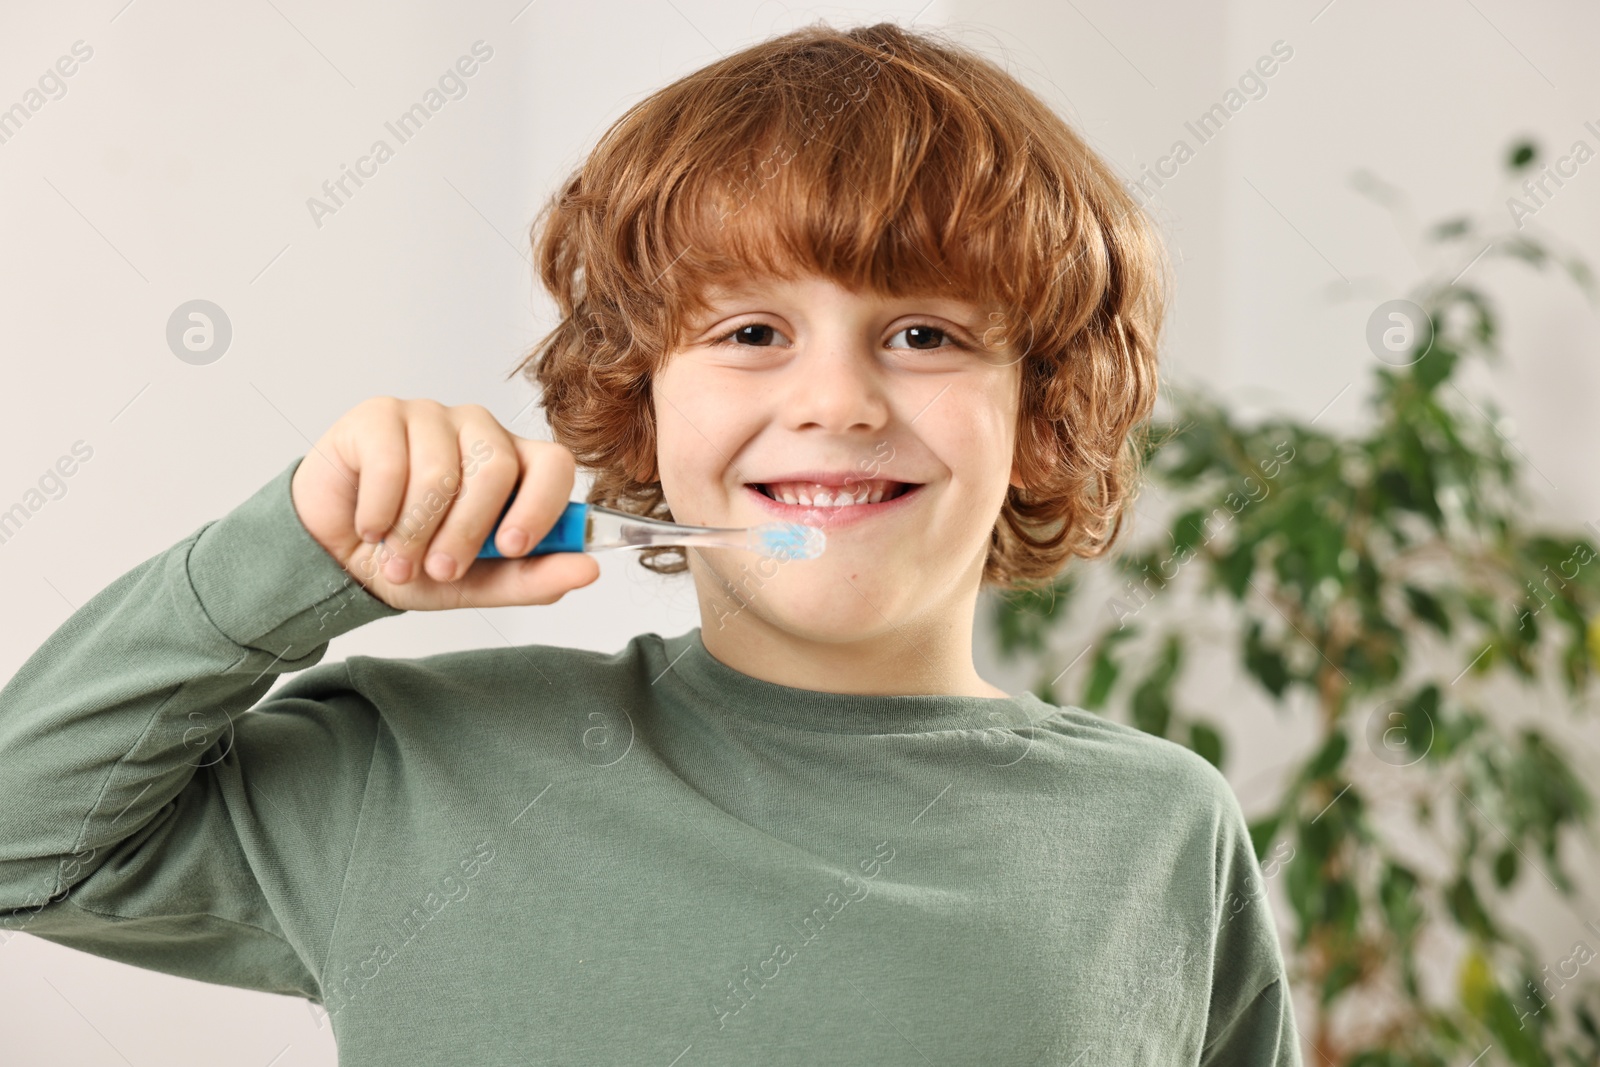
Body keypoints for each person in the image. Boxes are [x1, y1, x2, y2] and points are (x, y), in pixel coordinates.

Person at [0, 20, 1303, 1066]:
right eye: (750, 333)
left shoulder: (1159, 833)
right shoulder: (408, 769)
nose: (838, 401)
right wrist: (296, 555)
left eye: (925, 335)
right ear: (639, 397)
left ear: (1039, 413)